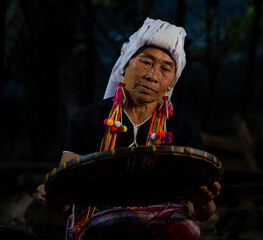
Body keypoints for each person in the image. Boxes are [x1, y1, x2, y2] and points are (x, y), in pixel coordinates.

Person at [37, 18, 221, 240]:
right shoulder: (88, 120)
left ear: (172, 81)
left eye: (166, 68)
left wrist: (205, 203)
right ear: (124, 64)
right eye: (146, 62)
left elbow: (200, 212)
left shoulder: (182, 129)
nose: (152, 75)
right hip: (96, 224)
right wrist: (55, 196)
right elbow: (64, 197)